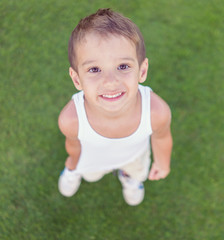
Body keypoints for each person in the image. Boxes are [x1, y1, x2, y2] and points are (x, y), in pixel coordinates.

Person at [57, 8, 173, 206]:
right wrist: (73, 161)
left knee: (135, 170)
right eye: (94, 69)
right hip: (93, 157)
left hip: (134, 156)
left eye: (123, 67)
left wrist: (163, 163)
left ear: (142, 70)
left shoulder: (155, 112)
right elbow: (73, 143)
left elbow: (162, 137)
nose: (110, 82)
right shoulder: (71, 119)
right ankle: (72, 171)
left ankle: (128, 178)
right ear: (77, 79)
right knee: (90, 174)